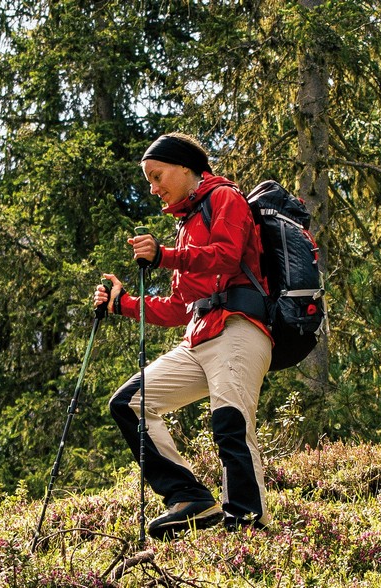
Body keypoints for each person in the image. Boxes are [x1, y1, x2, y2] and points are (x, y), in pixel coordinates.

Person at [94, 132, 272, 539]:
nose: (155, 189)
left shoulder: (225, 197)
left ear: (186, 167)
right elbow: (178, 307)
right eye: (150, 182)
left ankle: (248, 526)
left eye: (157, 177)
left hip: (239, 329)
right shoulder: (188, 223)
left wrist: (164, 256)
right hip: (199, 337)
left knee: (230, 421)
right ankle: (191, 498)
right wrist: (122, 303)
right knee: (128, 403)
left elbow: (226, 256)